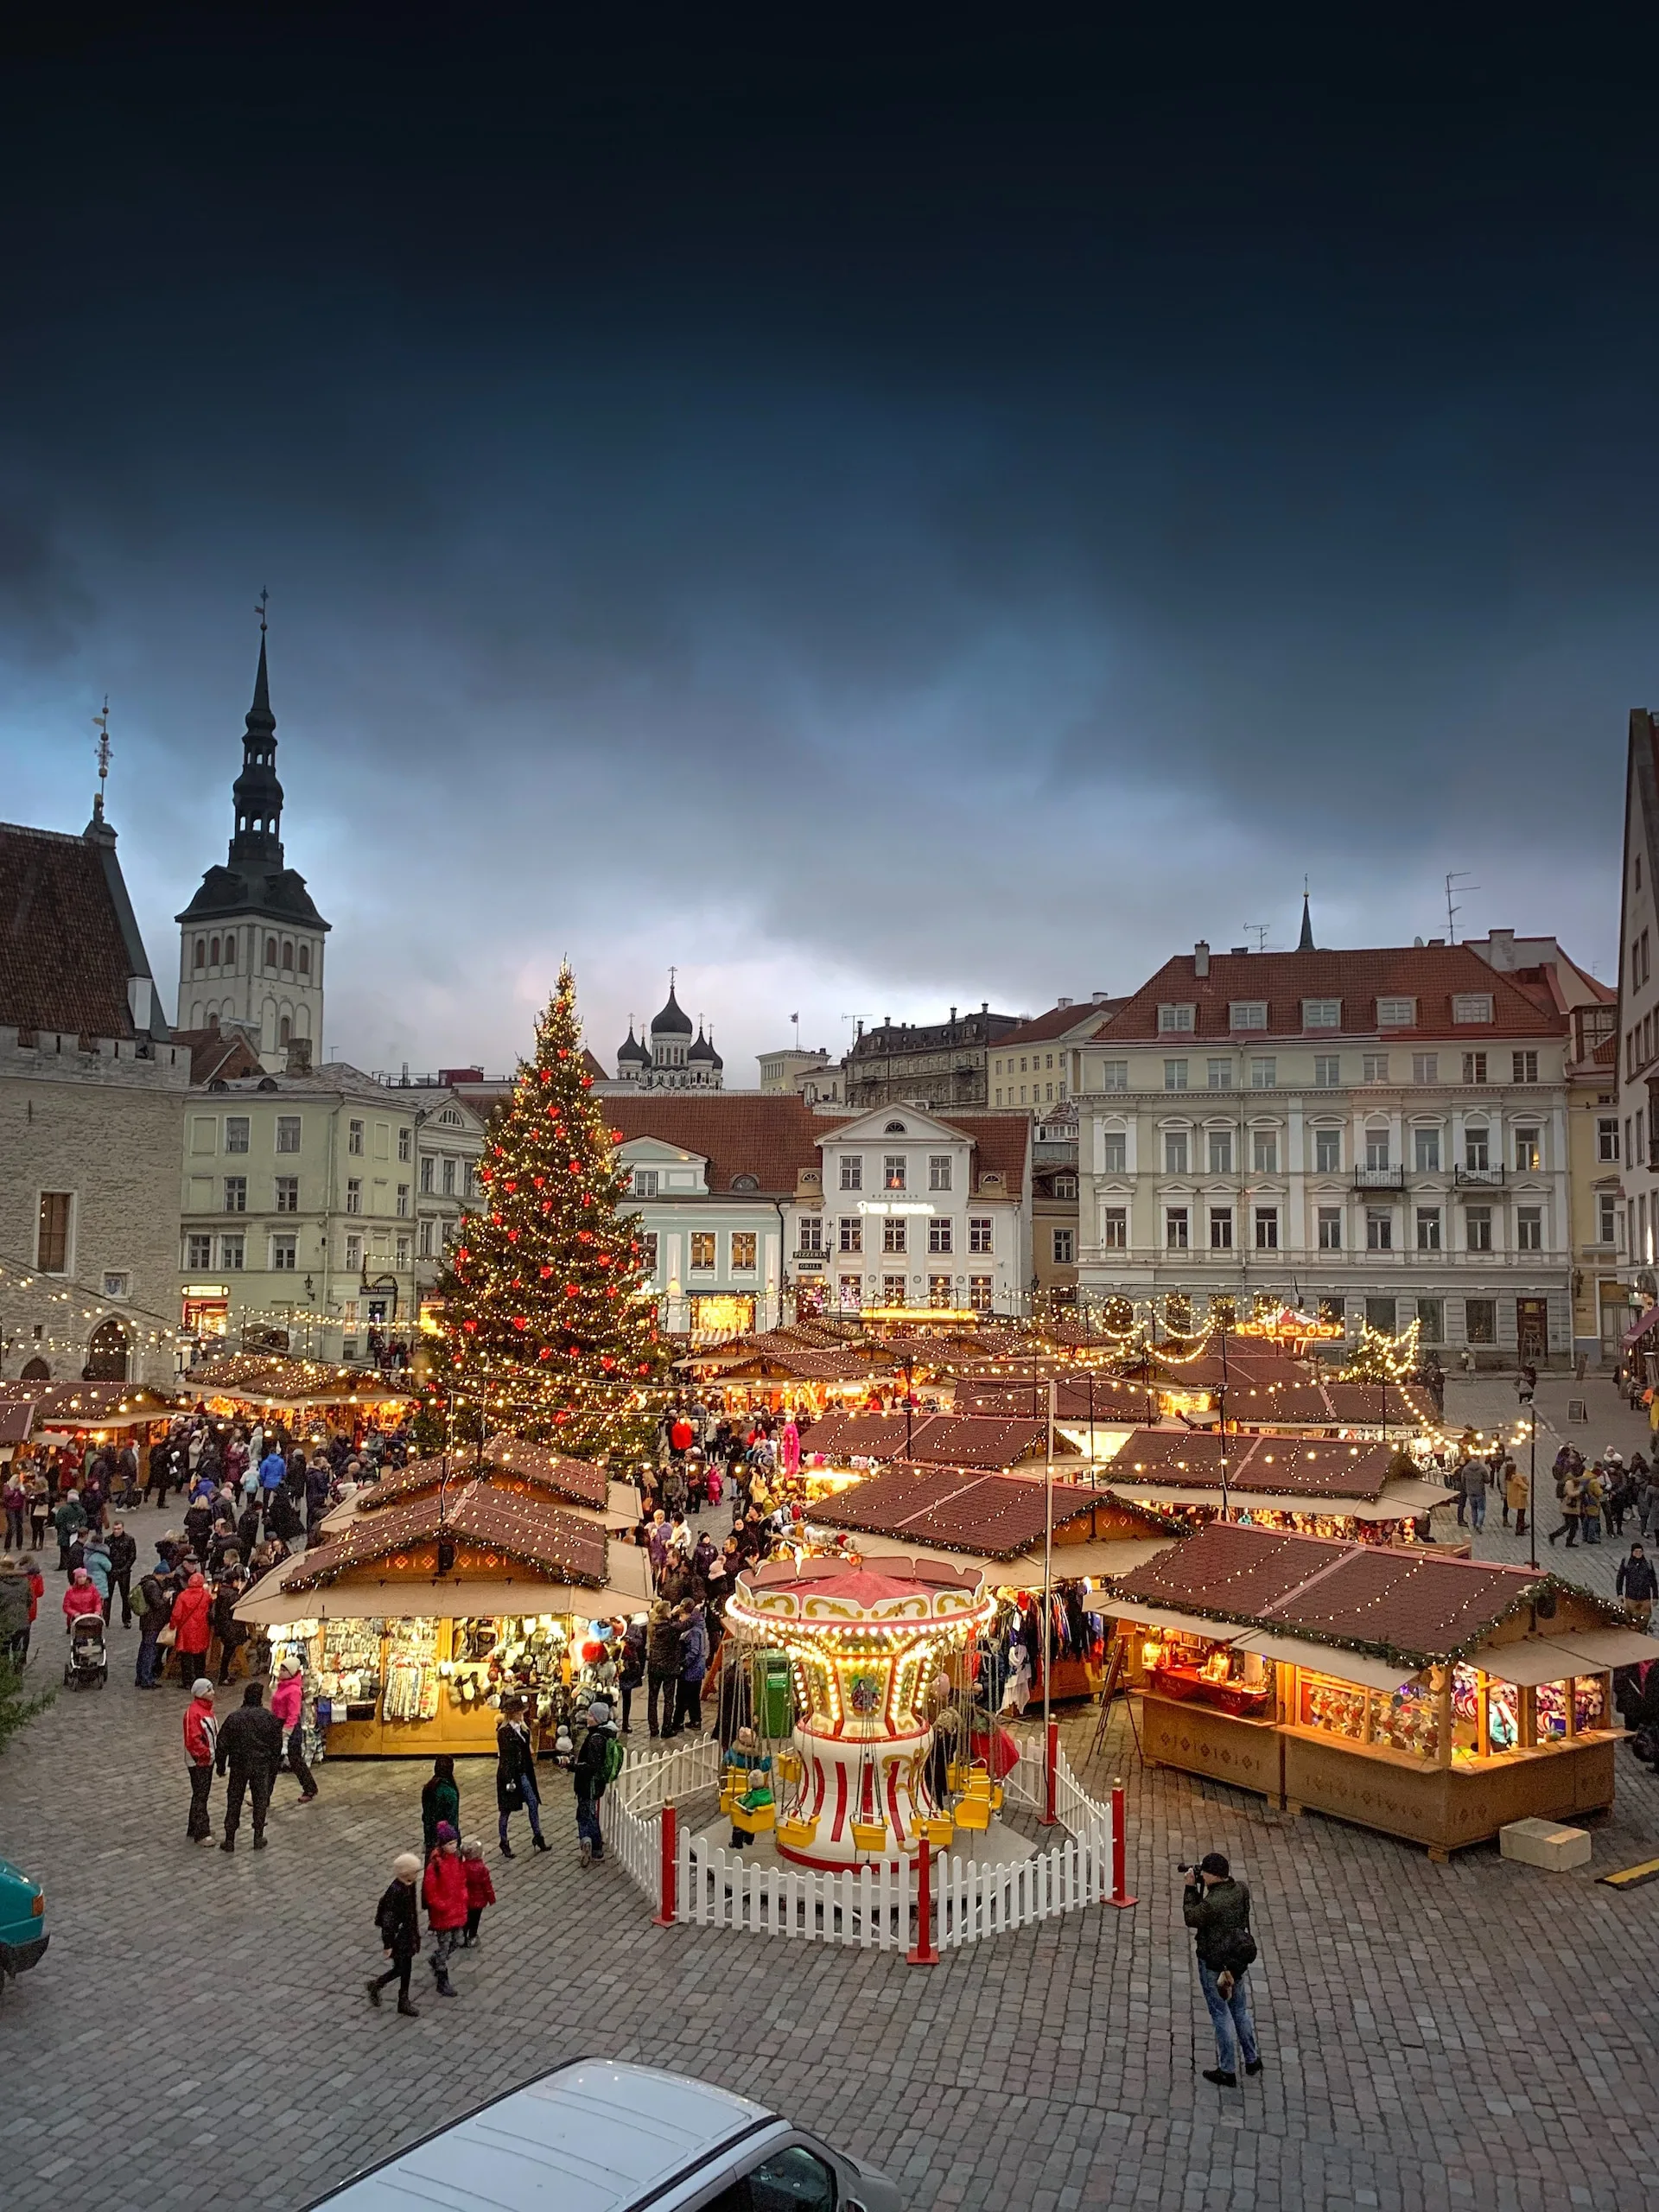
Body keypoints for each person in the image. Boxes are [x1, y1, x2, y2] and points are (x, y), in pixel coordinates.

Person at [1183, 1852, 1262, 2088]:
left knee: (1221, 2015)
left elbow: (1192, 1917)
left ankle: (1227, 2070)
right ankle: (1252, 2059)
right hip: (1236, 1961)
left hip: (1215, 1964)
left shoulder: (1213, 1903)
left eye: (1204, 1873)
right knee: (1239, 2010)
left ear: (1213, 1876)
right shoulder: (1241, 1889)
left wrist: (1190, 1890)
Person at [215, 1681, 284, 1852]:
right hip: (261, 1766)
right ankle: (258, 1836)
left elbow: (222, 1743)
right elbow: (276, 1746)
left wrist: (221, 1766)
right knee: (260, 1799)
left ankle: (229, 1838)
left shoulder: (234, 1718)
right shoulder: (268, 1718)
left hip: (239, 1765)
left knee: (234, 1799)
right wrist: (273, 1766)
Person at [366, 1853, 423, 2016]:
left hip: (408, 1933)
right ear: (405, 1873)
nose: (417, 1874)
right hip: (400, 1937)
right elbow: (389, 1921)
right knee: (402, 1968)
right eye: (415, 1871)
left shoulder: (409, 1884)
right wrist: (388, 1944)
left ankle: (384, 1988)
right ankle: (398, 1998)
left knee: (404, 1968)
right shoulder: (395, 1892)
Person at [495, 1699, 547, 1857]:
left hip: (524, 1773)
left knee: (533, 1802)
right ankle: (504, 1841)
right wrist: (509, 1780)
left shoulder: (524, 1729)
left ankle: (538, 1836)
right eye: (519, 1713)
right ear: (512, 1714)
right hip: (509, 1775)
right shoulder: (504, 1732)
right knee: (506, 1810)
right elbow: (506, 1758)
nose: (522, 1715)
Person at [422, 1825, 467, 1996]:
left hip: (457, 1909)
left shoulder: (456, 1859)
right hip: (443, 1914)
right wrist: (443, 1905)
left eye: (455, 1843)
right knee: (445, 1944)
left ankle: (437, 1960)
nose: (453, 1846)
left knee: (458, 1941)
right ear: (442, 1845)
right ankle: (442, 1976)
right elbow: (430, 1891)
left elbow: (462, 1880)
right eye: (450, 1844)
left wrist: (463, 1896)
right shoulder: (435, 1865)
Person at [573, 1699, 616, 1863]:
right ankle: (593, 1844)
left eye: (591, 1715)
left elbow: (591, 1766)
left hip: (588, 1784)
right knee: (589, 1813)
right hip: (595, 1785)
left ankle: (590, 1843)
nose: (587, 1718)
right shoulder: (603, 1735)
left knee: (586, 1816)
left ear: (597, 1718)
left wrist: (573, 1767)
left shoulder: (595, 1739)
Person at [270, 1656, 318, 1802]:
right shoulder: (281, 1685)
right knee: (272, 1761)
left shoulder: (294, 1690)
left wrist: (286, 1733)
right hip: (278, 1724)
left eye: (284, 1670)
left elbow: (293, 1713)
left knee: (295, 1759)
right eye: (281, 1669)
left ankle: (310, 1788)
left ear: (291, 1672)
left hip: (289, 1728)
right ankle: (262, 1797)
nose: (280, 1672)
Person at [184, 1680, 218, 1846]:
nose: (213, 1693)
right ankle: (201, 1832)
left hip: (206, 1759)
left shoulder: (205, 1709)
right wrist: (205, 1755)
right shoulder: (194, 1712)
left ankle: (194, 1827)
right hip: (199, 1761)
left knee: (200, 1794)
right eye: (209, 1690)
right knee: (201, 1796)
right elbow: (193, 1740)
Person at [646, 1600, 683, 1738]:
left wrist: (670, 1614)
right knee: (668, 1699)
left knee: (652, 1698)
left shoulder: (652, 1626)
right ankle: (666, 1728)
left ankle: (653, 1728)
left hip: (654, 1666)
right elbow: (683, 1626)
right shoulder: (672, 1629)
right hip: (669, 1668)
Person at [168, 1570, 213, 1685]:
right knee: (200, 1655)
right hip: (201, 1628)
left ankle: (187, 1681)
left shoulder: (182, 1596)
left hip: (186, 1629)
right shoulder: (205, 1596)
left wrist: (173, 1625)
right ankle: (200, 1678)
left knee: (186, 1655)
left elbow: (176, 1614)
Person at [677, 1602, 709, 1736]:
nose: (680, 1619)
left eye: (682, 1615)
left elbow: (694, 1651)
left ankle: (680, 1722)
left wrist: (684, 1663)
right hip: (697, 1669)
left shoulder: (693, 1631)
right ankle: (695, 1720)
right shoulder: (698, 1628)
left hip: (692, 1670)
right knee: (693, 1697)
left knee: (684, 1696)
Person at [421, 1755, 461, 1854]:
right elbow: (452, 1819)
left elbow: (426, 1817)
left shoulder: (429, 1787)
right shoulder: (449, 1793)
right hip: (445, 1841)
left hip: (431, 1838)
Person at [461, 1838, 496, 1945]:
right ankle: (472, 1937)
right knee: (475, 1920)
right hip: (478, 1901)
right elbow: (487, 1885)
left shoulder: (463, 1867)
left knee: (466, 1919)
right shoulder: (482, 1869)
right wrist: (491, 1898)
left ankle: (463, 1937)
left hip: (466, 1899)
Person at [1617, 1543, 1658, 1627]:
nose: (1638, 1553)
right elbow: (1620, 1578)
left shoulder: (1647, 1564)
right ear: (1632, 1552)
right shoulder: (1627, 1562)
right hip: (1631, 1598)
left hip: (1645, 1598)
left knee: (1644, 1620)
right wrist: (1619, 1593)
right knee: (1630, 1621)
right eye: (1636, 1551)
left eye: (1640, 1551)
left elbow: (1653, 1580)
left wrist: (1655, 1596)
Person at [106, 1521, 137, 1629]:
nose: (116, 1531)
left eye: (118, 1529)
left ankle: (127, 1619)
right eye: (115, 1529)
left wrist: (125, 1569)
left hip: (124, 1572)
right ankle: (106, 1619)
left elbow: (132, 1556)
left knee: (125, 1596)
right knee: (107, 1596)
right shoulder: (108, 1540)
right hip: (111, 1571)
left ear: (122, 1528)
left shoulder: (129, 1540)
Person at [1548, 1468, 1586, 1548]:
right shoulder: (1569, 1483)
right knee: (1568, 1525)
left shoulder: (1578, 1483)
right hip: (1568, 1508)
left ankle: (1569, 1541)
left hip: (1574, 1508)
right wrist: (1579, 1491)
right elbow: (1570, 1494)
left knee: (1574, 1525)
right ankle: (1554, 1535)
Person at [1504, 1459, 1529, 1540]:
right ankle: (1519, 1529)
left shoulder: (1508, 1478)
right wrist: (1525, 1481)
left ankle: (1521, 1527)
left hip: (1514, 1498)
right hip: (1520, 1498)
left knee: (1520, 1514)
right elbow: (1525, 1487)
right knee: (1521, 1514)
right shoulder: (1516, 1478)